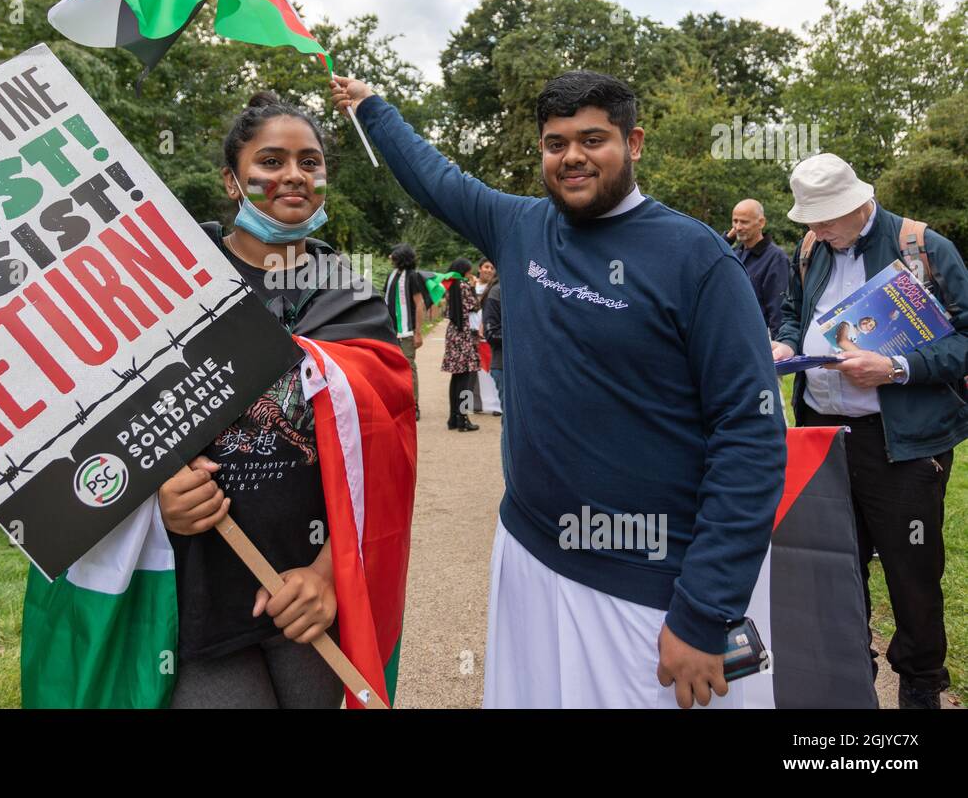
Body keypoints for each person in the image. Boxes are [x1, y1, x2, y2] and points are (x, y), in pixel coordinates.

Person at [332, 70, 785, 709]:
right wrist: (373, 107)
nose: (571, 156)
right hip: (530, 556)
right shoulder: (520, 226)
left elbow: (752, 436)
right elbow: (434, 178)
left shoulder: (699, 259)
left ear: (635, 143)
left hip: (649, 588)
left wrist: (706, 611)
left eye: (592, 138)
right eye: (555, 143)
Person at [155, 92, 416, 708]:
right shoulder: (172, 285)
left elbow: (382, 457)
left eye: (310, 162)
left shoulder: (350, 295)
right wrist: (158, 492)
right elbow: (111, 420)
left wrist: (327, 576)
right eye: (270, 161)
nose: (293, 176)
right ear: (231, 179)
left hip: (311, 595)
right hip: (201, 591)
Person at [771, 152, 968, 709]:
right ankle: (850, 681)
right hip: (825, 440)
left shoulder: (922, 247)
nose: (816, 229)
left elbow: (964, 336)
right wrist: (786, 343)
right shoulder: (811, 249)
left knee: (912, 573)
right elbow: (792, 312)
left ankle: (921, 687)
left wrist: (896, 369)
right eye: (809, 219)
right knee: (835, 567)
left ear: (860, 202)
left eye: (827, 217)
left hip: (900, 446)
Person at [726, 198, 790, 336]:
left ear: (761, 222)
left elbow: (778, 310)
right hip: (735, 336)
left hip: (760, 340)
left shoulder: (776, 258)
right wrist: (728, 238)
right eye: (735, 221)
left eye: (744, 222)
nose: (737, 227)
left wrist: (778, 346)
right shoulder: (735, 253)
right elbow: (710, 255)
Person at [384, 243, 427, 419]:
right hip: (390, 331)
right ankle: (396, 402)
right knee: (391, 368)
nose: (389, 257)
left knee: (409, 367)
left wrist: (418, 332)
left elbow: (419, 304)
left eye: (393, 254)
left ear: (400, 256)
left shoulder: (413, 277)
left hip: (407, 332)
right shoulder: (391, 275)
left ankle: (413, 404)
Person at [442, 257, 481, 431]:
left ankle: (453, 417)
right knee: (466, 378)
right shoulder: (465, 286)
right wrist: (473, 286)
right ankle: (463, 419)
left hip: (453, 333)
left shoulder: (449, 285)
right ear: (464, 271)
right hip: (464, 334)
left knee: (456, 377)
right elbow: (475, 306)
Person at [475, 259, 501, 416]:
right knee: (478, 373)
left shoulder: (497, 288)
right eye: (486, 266)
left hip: (489, 334)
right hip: (477, 335)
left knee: (491, 369)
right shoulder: (472, 286)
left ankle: (496, 405)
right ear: (479, 269)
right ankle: (477, 403)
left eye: (492, 267)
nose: (489, 270)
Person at [482, 269, 503, 411]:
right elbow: (491, 334)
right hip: (503, 366)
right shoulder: (497, 292)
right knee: (511, 418)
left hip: (528, 367)